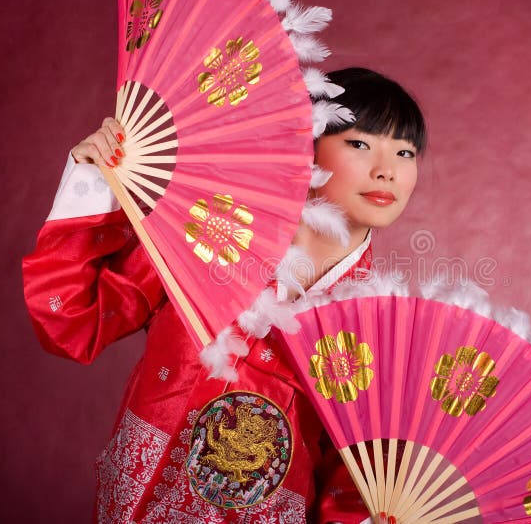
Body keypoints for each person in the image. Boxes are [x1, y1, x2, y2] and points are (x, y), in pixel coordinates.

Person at [23, 67, 426, 523]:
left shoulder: (379, 329)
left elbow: (351, 491)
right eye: (360, 143)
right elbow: (72, 320)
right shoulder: (208, 235)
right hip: (140, 499)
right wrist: (92, 181)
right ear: (307, 141)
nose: (387, 171)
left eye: (405, 152)